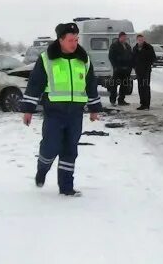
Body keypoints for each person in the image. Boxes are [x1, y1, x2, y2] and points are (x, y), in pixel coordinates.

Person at [21, 23, 102, 197]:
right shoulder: (46, 59)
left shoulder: (84, 59)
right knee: (51, 147)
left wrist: (94, 108)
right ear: (61, 40)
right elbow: (35, 84)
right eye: (71, 40)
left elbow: (91, 84)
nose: (74, 43)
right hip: (54, 112)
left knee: (70, 150)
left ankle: (66, 187)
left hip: (75, 113)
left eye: (76, 39)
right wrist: (28, 109)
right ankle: (42, 170)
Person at [108, 31, 134, 106]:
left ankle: (121, 100)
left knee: (124, 85)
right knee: (114, 85)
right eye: (123, 37)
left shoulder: (127, 46)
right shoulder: (114, 45)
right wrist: (115, 66)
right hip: (118, 68)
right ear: (119, 37)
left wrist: (130, 66)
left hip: (126, 69)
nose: (124, 38)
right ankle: (113, 100)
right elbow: (111, 57)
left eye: (125, 37)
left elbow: (131, 56)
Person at [133, 34, 157, 110]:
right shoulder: (135, 48)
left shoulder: (149, 47)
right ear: (137, 40)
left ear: (144, 40)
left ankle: (147, 104)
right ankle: (142, 103)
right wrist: (134, 66)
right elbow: (132, 58)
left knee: (145, 86)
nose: (141, 41)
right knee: (140, 87)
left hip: (146, 70)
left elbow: (153, 58)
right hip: (138, 70)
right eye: (139, 40)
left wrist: (148, 64)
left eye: (142, 40)